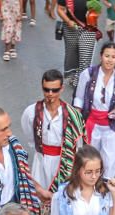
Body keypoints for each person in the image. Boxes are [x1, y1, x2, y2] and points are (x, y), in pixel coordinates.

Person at [21, 69, 86, 203]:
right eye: (46, 90)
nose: (50, 94)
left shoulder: (73, 115)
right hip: (41, 161)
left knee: (63, 199)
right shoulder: (31, 112)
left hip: (64, 162)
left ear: (61, 89)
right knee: (38, 199)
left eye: (54, 90)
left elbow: (79, 145)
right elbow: (29, 136)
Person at [75, 42, 115, 179]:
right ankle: (90, 185)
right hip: (92, 123)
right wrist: (77, 119)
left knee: (109, 160)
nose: (109, 59)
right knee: (90, 159)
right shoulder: (88, 74)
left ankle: (105, 188)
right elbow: (78, 98)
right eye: (107, 56)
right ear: (101, 56)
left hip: (112, 126)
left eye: (113, 57)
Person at [58, 0, 101, 89]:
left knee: (85, 56)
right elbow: (60, 9)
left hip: (88, 28)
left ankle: (80, 83)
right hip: (71, 28)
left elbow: (98, 10)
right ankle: (74, 76)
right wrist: (68, 21)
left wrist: (95, 14)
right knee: (72, 54)